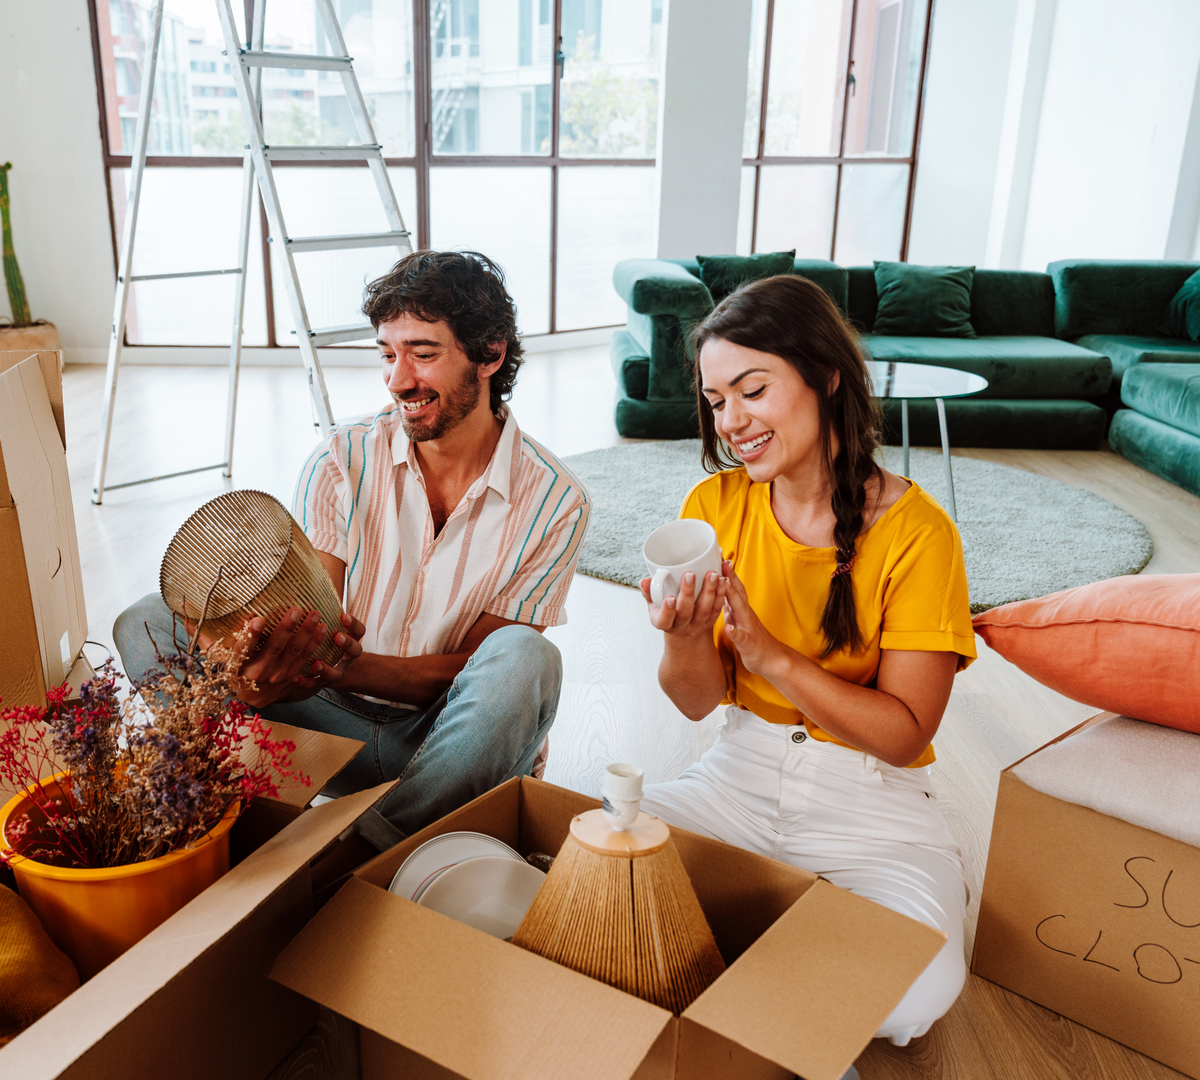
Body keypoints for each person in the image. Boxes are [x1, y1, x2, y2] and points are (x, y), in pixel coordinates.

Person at [115, 250, 590, 851]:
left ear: (490, 354)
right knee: (146, 623)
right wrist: (256, 673)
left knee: (526, 658)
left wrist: (337, 664)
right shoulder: (341, 459)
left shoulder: (556, 500)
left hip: (446, 741)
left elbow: (473, 670)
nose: (398, 380)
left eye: (422, 353)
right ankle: (370, 831)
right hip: (325, 721)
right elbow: (312, 617)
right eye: (388, 355)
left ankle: (359, 853)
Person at [639, 274, 973, 1047]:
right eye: (717, 401)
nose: (732, 422)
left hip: (873, 803)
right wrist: (683, 637)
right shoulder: (713, 510)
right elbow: (694, 703)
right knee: (588, 856)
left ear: (825, 375)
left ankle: (737, 954)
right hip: (738, 776)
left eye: (752, 390)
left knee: (921, 984)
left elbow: (901, 732)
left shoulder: (920, 534)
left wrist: (772, 657)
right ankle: (790, 968)